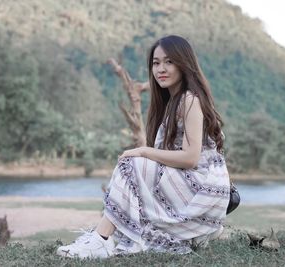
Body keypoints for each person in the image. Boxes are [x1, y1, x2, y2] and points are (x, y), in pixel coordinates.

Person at [57, 35, 230, 259]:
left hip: (202, 190)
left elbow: (191, 158)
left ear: (183, 63)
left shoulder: (189, 99)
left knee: (133, 163)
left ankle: (101, 240)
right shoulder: (173, 101)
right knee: (134, 166)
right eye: (156, 63)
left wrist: (143, 151)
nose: (161, 69)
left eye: (169, 62)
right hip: (190, 186)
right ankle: (102, 236)